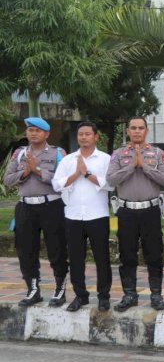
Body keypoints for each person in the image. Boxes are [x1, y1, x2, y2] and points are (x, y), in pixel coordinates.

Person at [107, 116, 164, 311]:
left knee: (154, 253)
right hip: (126, 211)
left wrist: (144, 165)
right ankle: (129, 294)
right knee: (127, 254)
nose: (137, 131)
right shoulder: (118, 154)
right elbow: (111, 179)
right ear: (127, 131)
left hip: (150, 211)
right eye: (133, 128)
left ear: (146, 131)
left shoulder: (157, 153)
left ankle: (156, 295)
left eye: (140, 128)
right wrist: (131, 166)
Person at [3, 117, 68, 307]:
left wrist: (38, 170)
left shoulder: (58, 153)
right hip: (25, 207)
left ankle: (59, 289)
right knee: (25, 250)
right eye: (30, 130)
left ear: (46, 134)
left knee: (56, 248)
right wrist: (25, 172)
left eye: (37, 130)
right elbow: (8, 180)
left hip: (51, 206)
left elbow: (62, 180)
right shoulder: (19, 154)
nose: (33, 133)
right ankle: (33, 290)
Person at [52, 122, 112, 312]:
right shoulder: (69, 160)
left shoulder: (105, 159)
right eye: (80, 134)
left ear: (96, 137)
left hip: (98, 215)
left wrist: (86, 174)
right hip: (73, 216)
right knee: (76, 259)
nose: (84, 137)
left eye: (87, 134)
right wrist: (76, 173)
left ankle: (103, 296)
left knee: (102, 258)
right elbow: (56, 184)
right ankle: (80, 295)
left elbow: (110, 185)